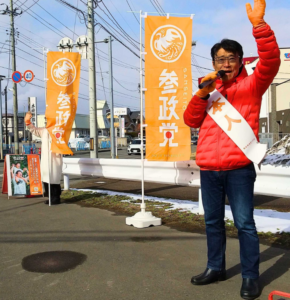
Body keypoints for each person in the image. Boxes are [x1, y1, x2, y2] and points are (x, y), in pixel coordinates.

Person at [183, 1, 280, 299]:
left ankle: (250, 276)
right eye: (219, 59)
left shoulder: (252, 86)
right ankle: (216, 267)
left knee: (245, 224)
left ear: (240, 61)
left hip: (239, 168)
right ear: (212, 63)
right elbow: (190, 120)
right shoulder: (208, 93)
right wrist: (201, 94)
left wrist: (260, 27)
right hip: (210, 169)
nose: (225, 64)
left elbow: (271, 60)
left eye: (231, 58)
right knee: (212, 222)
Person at [25, 112, 63, 205]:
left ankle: (56, 197)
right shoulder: (44, 130)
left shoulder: (59, 130)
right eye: (46, 120)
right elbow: (34, 130)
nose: (47, 122)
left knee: (54, 178)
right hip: (46, 158)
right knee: (46, 178)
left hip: (55, 158)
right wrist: (28, 121)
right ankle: (50, 197)